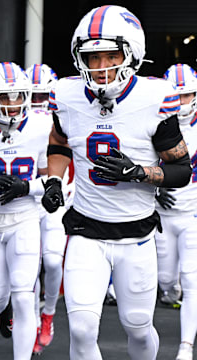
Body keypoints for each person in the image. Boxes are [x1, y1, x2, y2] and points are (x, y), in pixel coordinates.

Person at [41, 5, 192, 360]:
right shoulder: (66, 95)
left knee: (138, 329)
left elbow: (181, 171)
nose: (102, 66)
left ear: (133, 54)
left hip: (136, 235)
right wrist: (53, 179)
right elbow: (59, 142)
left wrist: (139, 172)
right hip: (85, 232)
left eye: (112, 55)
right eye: (93, 57)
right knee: (80, 328)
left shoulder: (154, 98)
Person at [0, 61, 51, 360]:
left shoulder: (42, 125)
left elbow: (50, 178)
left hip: (25, 219)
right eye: (4, 96)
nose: (13, 104)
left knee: (24, 293)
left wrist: (27, 187)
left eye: (18, 96)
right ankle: (3, 310)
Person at [154, 63, 197, 360]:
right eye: (177, 96)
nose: (182, 102)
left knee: (192, 278)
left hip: (193, 214)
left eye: (187, 95)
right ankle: (171, 292)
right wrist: (158, 187)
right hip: (164, 216)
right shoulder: (154, 122)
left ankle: (186, 347)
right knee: (167, 280)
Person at [25, 63, 67, 355]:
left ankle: (48, 314)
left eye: (44, 97)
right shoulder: (13, 121)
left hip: (56, 202)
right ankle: (25, 317)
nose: (39, 104)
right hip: (25, 201)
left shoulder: (65, 118)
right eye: (33, 96)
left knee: (53, 262)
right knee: (25, 267)